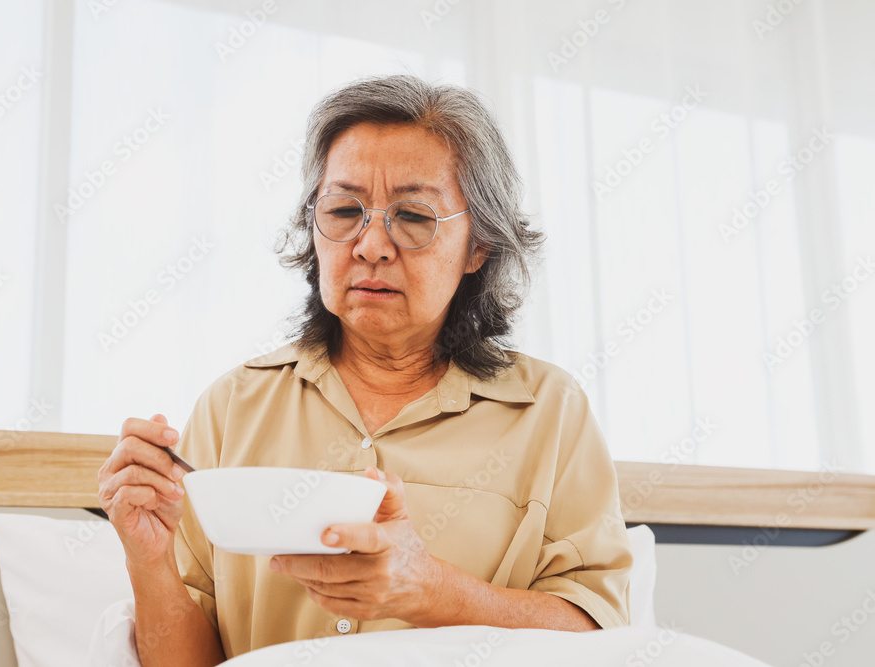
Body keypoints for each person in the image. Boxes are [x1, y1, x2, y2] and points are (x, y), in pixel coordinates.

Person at [98, 74, 632, 667]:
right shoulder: (231, 408)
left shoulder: (551, 412)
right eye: (344, 210)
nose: (371, 244)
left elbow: (601, 640)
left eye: (414, 216)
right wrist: (147, 562)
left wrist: (430, 590)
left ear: (478, 244)